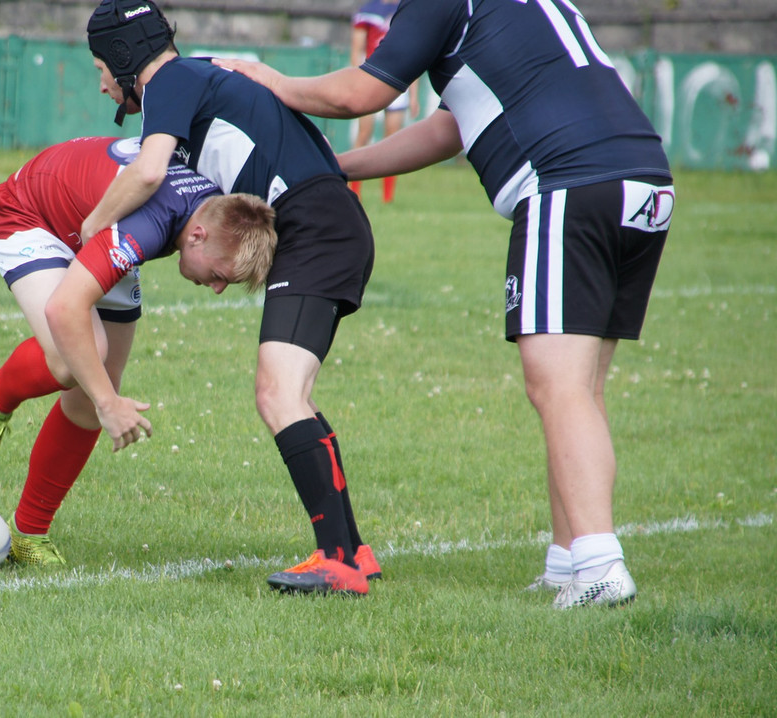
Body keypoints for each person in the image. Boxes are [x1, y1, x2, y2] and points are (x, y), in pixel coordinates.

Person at [215, 0, 674, 608]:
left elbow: (361, 92)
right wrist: (334, 169)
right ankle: (570, 560)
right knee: (581, 389)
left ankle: (599, 565)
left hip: (569, 183)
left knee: (558, 388)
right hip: (641, 182)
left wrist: (272, 79)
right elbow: (453, 126)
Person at [77, 0, 382, 596]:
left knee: (277, 392)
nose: (102, 82)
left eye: (99, 67)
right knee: (292, 394)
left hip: (313, 223)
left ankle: (339, 560)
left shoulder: (170, 79)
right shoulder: (197, 81)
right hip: (328, 222)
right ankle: (352, 551)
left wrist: (91, 230)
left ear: (121, 53)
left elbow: (145, 173)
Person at [0, 136, 277, 565]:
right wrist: (109, 403)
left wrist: (100, 399)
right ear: (197, 235)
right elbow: (64, 309)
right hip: (32, 213)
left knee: (89, 394)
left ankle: (29, 532)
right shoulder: (153, 224)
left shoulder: (210, 212)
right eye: (219, 275)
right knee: (73, 364)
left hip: (97, 227)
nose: (217, 288)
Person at [347, 0, 418, 203]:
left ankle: (387, 197)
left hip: (398, 79)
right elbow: (356, 49)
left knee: (393, 139)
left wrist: (413, 94)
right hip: (371, 78)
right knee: (364, 134)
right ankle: (354, 191)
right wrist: (358, 80)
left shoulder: (405, 9)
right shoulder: (369, 11)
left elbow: (414, 51)